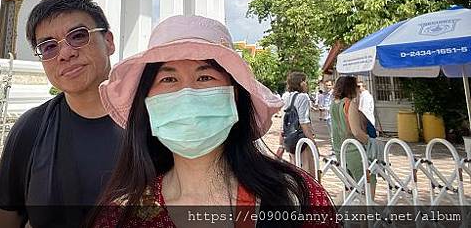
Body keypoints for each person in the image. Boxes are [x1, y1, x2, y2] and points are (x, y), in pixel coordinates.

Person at [93, 15, 334, 228]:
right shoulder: (121, 217)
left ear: (235, 94)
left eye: (205, 77)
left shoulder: (298, 197)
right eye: (168, 79)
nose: (187, 94)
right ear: (146, 102)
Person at [0, 0, 123, 228]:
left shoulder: (152, 123)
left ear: (109, 42)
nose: (65, 53)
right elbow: (5, 220)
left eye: (78, 36)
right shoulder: (31, 129)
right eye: (49, 47)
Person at [330, 75, 376, 199]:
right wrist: (371, 142)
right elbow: (356, 132)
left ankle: (334, 213)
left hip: (340, 149)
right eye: (356, 86)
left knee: (350, 187)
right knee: (369, 182)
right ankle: (368, 215)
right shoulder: (350, 104)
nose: (358, 89)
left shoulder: (334, 104)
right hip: (355, 150)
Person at [277, 72, 317, 177]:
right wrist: (312, 141)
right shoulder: (303, 97)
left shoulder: (286, 96)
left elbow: (283, 120)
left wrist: (281, 143)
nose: (306, 84)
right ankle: (308, 192)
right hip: (301, 137)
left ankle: (298, 191)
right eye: (304, 81)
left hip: (289, 137)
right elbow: (304, 122)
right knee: (307, 169)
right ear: (300, 83)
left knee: (295, 167)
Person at [315, 79, 334, 156]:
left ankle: (334, 151)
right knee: (331, 134)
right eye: (326, 85)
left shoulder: (333, 94)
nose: (327, 87)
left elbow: (333, 106)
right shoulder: (325, 94)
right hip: (327, 116)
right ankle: (333, 149)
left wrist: (325, 108)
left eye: (329, 85)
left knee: (333, 135)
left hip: (332, 116)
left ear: (333, 85)